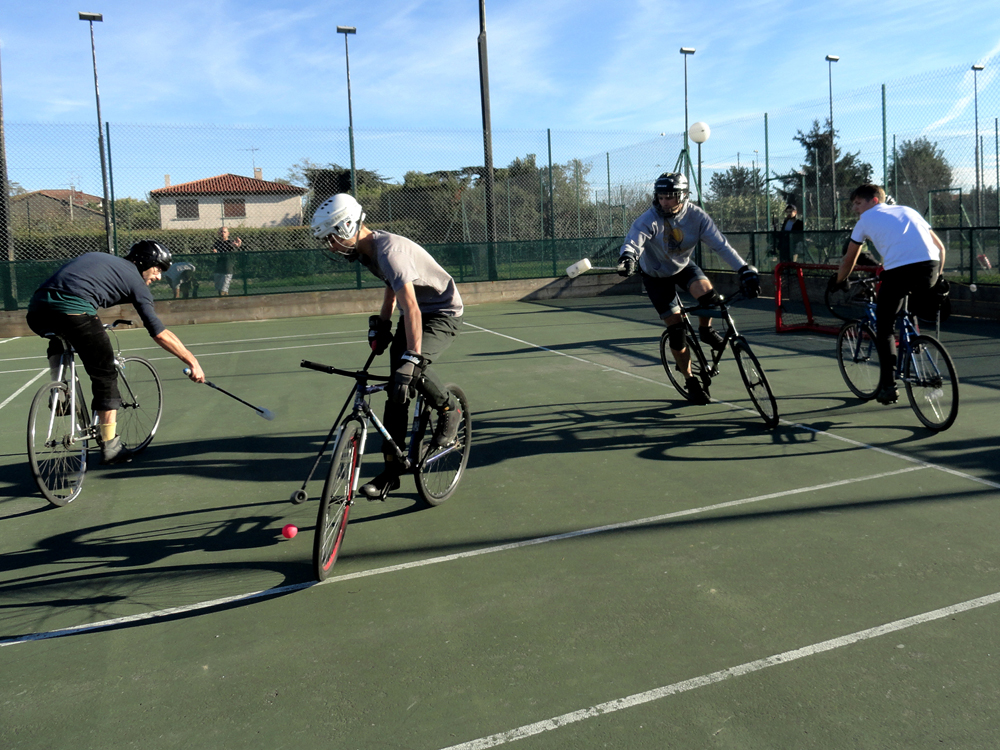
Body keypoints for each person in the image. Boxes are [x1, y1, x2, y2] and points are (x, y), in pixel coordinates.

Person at [310, 193, 464, 499]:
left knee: (412, 370)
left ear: (347, 227)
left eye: (331, 238)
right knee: (397, 392)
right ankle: (392, 472)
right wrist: (383, 325)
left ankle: (450, 408)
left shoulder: (389, 251)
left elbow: (414, 308)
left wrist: (413, 357)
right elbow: (392, 290)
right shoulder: (368, 251)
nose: (330, 246)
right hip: (415, 312)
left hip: (441, 313)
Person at [26, 242, 206, 464]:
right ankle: (111, 445)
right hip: (75, 310)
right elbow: (159, 332)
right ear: (146, 263)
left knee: (60, 337)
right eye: (158, 269)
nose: (159, 277)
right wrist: (192, 360)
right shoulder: (136, 280)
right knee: (105, 374)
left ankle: (60, 392)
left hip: (36, 310)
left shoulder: (100, 257)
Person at [618, 172, 760, 404]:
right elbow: (634, 240)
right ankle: (690, 379)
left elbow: (721, 246)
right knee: (677, 332)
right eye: (661, 197)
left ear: (683, 196)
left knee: (710, 299)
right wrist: (628, 258)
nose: (664, 202)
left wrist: (743, 270)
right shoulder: (649, 218)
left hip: (682, 267)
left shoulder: (697, 217)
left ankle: (705, 331)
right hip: (655, 275)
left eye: (670, 197)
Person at [829, 184, 946, 405]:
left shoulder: (864, 221)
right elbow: (940, 248)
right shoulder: (909, 210)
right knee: (905, 307)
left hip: (900, 272)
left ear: (874, 201)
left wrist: (839, 280)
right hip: (930, 268)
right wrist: (937, 277)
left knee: (884, 329)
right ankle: (916, 342)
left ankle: (889, 386)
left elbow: (849, 259)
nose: (855, 208)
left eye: (858, 203)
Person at [211, 226, 242, 296]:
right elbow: (214, 250)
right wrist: (214, 251)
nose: (223, 233)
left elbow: (236, 245)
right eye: (221, 232)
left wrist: (238, 244)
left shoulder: (230, 242)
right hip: (219, 267)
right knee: (219, 289)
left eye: (224, 232)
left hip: (227, 267)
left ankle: (225, 299)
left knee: (223, 289)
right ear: (218, 233)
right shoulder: (217, 243)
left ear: (228, 233)